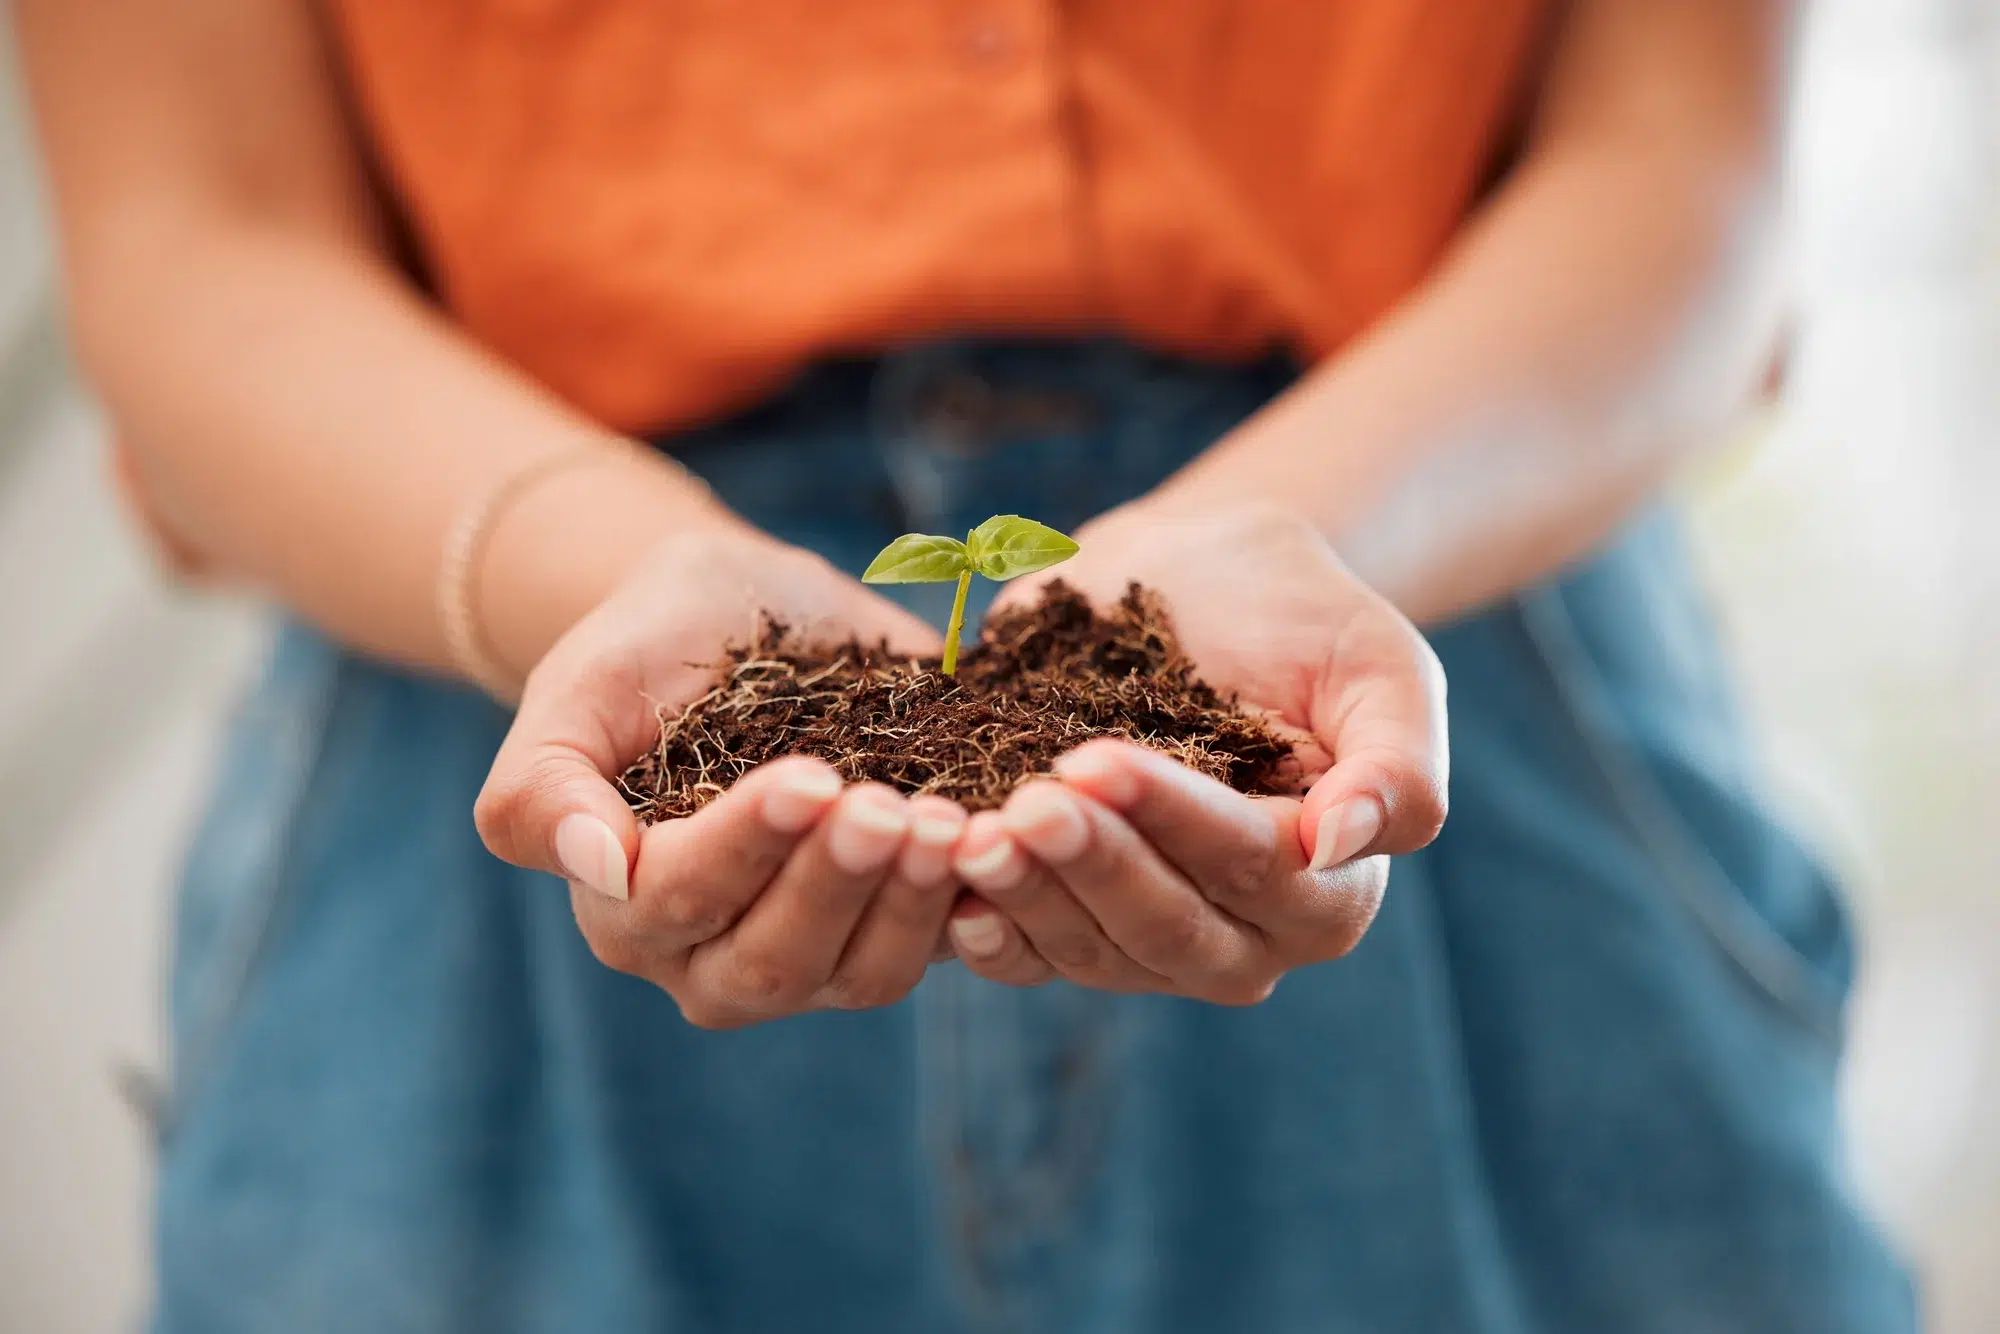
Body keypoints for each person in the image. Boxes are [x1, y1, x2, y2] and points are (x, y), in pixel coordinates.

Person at [16, 1, 1912, 1331]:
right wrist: (617, 579)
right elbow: (197, 232)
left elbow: (1685, 174)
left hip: (1425, 635)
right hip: (510, 679)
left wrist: (1292, 547)